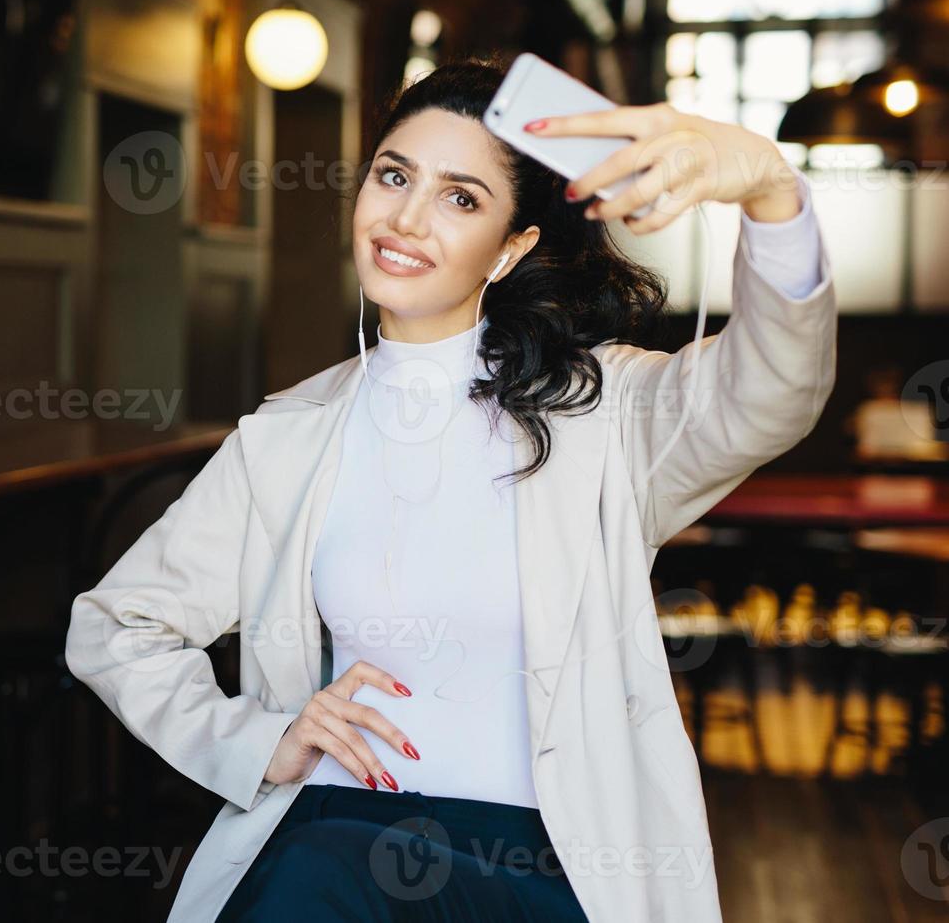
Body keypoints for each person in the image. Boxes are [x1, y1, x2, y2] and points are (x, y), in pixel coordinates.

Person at [64, 55, 836, 922]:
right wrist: (257, 744)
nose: (405, 218)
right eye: (395, 176)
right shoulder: (289, 435)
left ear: (512, 250)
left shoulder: (605, 413)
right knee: (315, 870)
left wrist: (772, 192)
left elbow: (771, 397)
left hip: (553, 862)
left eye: (460, 198)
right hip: (336, 832)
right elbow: (116, 626)